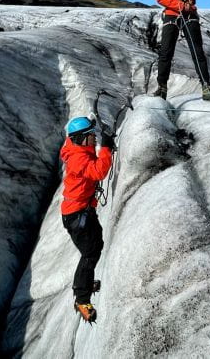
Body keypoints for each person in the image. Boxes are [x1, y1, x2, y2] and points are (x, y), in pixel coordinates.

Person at [60, 116, 115, 323]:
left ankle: (86, 280)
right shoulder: (78, 158)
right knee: (90, 253)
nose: (94, 138)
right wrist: (107, 149)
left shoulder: (78, 149)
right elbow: (99, 171)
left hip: (81, 211)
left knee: (95, 245)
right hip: (77, 214)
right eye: (91, 136)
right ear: (81, 138)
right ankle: (82, 298)